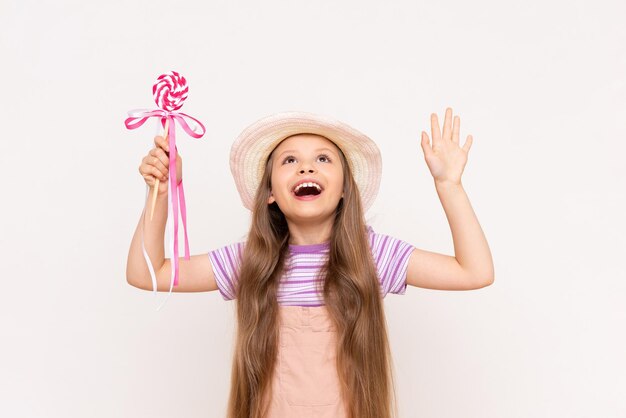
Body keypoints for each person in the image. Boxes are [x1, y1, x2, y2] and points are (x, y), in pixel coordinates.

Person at [126, 108, 494, 418]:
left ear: (346, 187)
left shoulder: (373, 256)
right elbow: (147, 273)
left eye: (322, 158)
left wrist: (450, 186)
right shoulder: (251, 262)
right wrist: (161, 190)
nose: (306, 168)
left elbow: (474, 271)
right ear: (270, 192)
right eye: (290, 160)